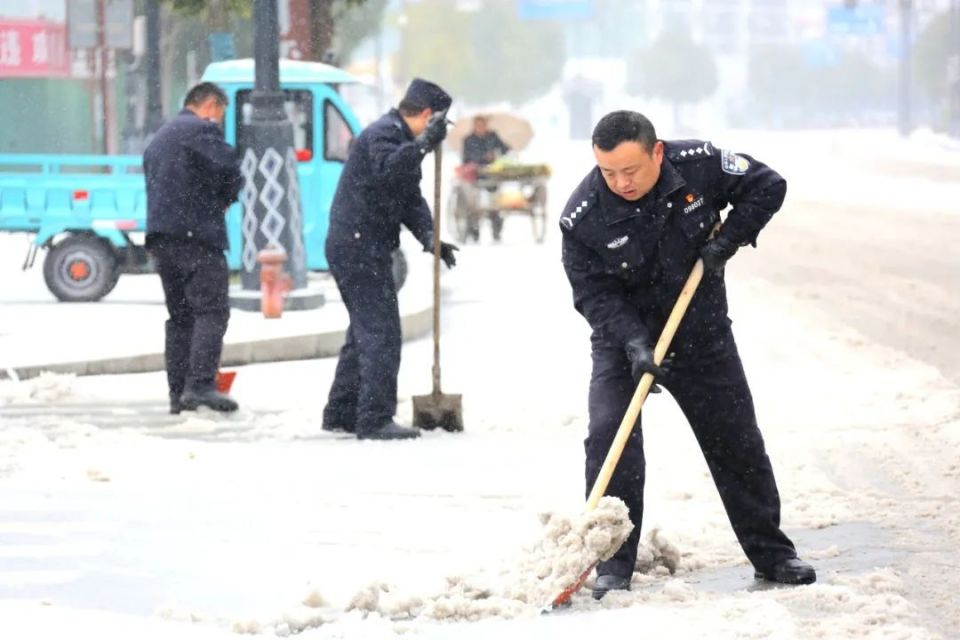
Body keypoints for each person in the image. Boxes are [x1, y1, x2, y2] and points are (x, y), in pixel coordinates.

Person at [559, 110, 816, 598]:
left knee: (736, 439)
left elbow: (768, 186)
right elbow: (593, 294)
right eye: (608, 172)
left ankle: (772, 553)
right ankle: (613, 564)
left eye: (630, 170)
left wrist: (726, 243)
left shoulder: (700, 164)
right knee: (610, 436)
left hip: (699, 331)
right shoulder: (583, 215)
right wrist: (634, 342)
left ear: (657, 151)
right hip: (625, 342)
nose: (620, 182)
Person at [322, 78, 458, 441]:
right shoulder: (384, 134)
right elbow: (389, 169)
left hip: (361, 247)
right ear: (427, 115)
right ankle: (374, 418)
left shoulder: (400, 139)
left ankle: (342, 412)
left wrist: (432, 239)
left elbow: (409, 197)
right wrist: (425, 144)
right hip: (358, 248)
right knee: (382, 333)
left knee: (363, 332)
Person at [143, 82, 243, 415]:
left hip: (162, 240)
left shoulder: (159, 139)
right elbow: (230, 167)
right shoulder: (200, 131)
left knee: (181, 317)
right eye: (220, 113)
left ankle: (178, 394)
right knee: (212, 310)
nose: (217, 121)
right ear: (211, 106)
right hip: (196, 237)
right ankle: (200, 384)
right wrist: (226, 198)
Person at [461, 115, 511, 242]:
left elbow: (504, 149)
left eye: (482, 125)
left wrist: (504, 150)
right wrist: (483, 158)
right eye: (478, 125)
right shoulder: (468, 140)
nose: (480, 128)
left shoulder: (493, 136)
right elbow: (466, 158)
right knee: (473, 203)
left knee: (495, 202)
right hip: (475, 175)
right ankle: (474, 229)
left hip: (493, 174)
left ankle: (496, 228)